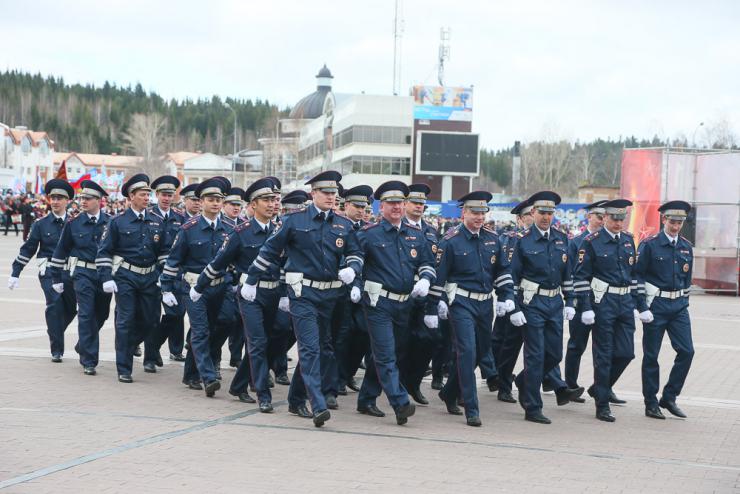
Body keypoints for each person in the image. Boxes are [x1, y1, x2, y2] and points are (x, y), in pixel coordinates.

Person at [243, 171, 359, 427]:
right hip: (302, 294)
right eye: (325, 192)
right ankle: (317, 404)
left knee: (322, 349)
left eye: (334, 193)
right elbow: (269, 251)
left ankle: (296, 399)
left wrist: (353, 268)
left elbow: (355, 253)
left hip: (330, 296)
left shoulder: (343, 224)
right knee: (309, 349)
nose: (331, 197)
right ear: (313, 194)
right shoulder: (293, 221)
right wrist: (251, 279)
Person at [346, 180, 435, 425]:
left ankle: (367, 398)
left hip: (404, 304)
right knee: (386, 355)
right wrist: (354, 279)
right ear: (381, 207)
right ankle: (400, 402)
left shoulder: (416, 234)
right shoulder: (368, 234)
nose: (396, 207)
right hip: (378, 303)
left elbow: (427, 262)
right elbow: (356, 258)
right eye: (391, 203)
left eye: (400, 203)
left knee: (390, 352)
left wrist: (425, 279)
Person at [195, 178, 280, 412]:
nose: (272, 204)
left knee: (272, 339)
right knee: (258, 342)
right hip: (250, 295)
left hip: (274, 293)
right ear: (253, 205)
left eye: (273, 200)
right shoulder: (240, 233)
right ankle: (262, 393)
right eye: (266, 200)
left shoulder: (280, 230)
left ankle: (239, 384)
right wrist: (198, 287)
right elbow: (218, 263)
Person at [433, 191, 514, 426]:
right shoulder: (450, 240)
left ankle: (449, 392)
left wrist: (506, 296)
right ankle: (471, 407)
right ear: (464, 213)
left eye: (482, 212)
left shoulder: (493, 239)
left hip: (485, 304)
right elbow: (439, 275)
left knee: (480, 351)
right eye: (474, 212)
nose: (479, 217)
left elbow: (502, 270)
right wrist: (437, 302)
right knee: (467, 351)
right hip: (461, 302)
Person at [509, 191, 584, 424]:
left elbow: (568, 275)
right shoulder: (523, 241)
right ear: (533, 213)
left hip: (554, 303)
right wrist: (514, 308)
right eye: (542, 212)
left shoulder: (562, 239)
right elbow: (512, 277)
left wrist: (570, 301)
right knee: (535, 355)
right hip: (531, 302)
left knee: (554, 354)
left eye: (550, 213)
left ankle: (523, 380)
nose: (546, 217)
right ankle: (532, 406)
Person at [160, 178, 231, 397]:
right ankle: (208, 377)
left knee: (218, 326)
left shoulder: (230, 228)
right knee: (200, 330)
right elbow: (173, 260)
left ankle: (190, 374)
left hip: (220, 287)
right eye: (211, 199)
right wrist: (166, 288)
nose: (215, 203)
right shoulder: (188, 229)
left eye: (219, 199)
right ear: (202, 202)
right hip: (193, 289)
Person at [573, 199, 638, 422]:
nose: (618, 223)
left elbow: (633, 274)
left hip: (624, 302)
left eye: (622, 219)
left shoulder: (628, 240)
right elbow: (581, 277)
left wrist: (638, 303)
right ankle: (602, 405)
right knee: (604, 355)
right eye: (614, 219)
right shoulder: (591, 242)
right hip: (603, 302)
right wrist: (586, 307)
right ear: (605, 217)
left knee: (626, 353)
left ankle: (599, 388)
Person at [96, 174, 164, 382]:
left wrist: (164, 277)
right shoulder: (117, 222)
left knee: (151, 320)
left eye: (148, 195)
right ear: (131, 196)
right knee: (125, 321)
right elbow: (104, 252)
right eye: (143, 195)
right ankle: (124, 368)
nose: (147, 198)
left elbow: (164, 251)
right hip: (126, 277)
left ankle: (128, 344)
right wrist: (106, 277)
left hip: (150, 278)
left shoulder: (157, 221)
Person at [636, 200, 695, 419]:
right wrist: (641, 306)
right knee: (652, 355)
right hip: (656, 306)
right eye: (672, 222)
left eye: (680, 222)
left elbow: (687, 279)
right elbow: (637, 276)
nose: (676, 226)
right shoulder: (650, 245)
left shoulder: (686, 246)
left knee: (687, 351)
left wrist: (684, 303)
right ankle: (651, 402)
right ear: (664, 220)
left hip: (678, 307)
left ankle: (669, 397)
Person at [8, 179, 77, 361]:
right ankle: (57, 350)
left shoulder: (75, 223)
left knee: (72, 309)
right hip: (48, 272)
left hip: (70, 272)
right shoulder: (40, 224)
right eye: (53, 198)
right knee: (54, 305)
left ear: (67, 201)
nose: (55, 201)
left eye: (59, 198)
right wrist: (15, 272)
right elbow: (28, 249)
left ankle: (54, 330)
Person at [48, 181, 112, 376]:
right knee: (86, 313)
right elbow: (61, 250)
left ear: (99, 201)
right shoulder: (73, 223)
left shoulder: (111, 223)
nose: (83, 201)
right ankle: (89, 360)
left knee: (102, 314)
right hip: (83, 274)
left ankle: (83, 344)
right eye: (82, 198)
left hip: (104, 275)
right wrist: (56, 277)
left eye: (88, 198)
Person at [400, 183, 441, 405]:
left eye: (422, 203)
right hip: (402, 293)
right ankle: (396, 384)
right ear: (405, 203)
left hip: (425, 294)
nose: (418, 206)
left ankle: (413, 382)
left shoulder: (431, 231)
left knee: (429, 340)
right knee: (401, 342)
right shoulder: (398, 227)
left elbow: (436, 264)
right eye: (415, 202)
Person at [562, 200, 607, 400]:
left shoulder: (609, 240)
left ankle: (604, 387)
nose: (602, 220)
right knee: (577, 345)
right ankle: (570, 385)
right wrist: (573, 300)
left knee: (604, 348)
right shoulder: (576, 241)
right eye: (599, 217)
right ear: (589, 217)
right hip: (582, 300)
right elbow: (571, 273)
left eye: (605, 217)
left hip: (604, 302)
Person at [332, 184, 373, 396]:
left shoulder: (368, 230)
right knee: (341, 336)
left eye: (363, 207)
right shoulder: (337, 226)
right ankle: (336, 379)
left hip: (364, 291)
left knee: (363, 335)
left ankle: (348, 373)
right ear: (346, 205)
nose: (360, 210)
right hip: (341, 289)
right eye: (357, 206)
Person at [145, 175, 187, 366]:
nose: (167, 198)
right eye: (163, 194)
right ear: (157, 195)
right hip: (151, 272)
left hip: (174, 274)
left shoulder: (180, 218)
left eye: (170, 195)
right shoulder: (148, 216)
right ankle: (150, 358)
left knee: (176, 313)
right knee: (152, 317)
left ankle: (154, 346)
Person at [495, 200, 533, 403]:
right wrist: (505, 296)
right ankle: (502, 383)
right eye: (528, 215)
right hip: (513, 297)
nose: (532, 218)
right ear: (519, 219)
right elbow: (504, 269)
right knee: (509, 343)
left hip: (537, 299)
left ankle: (553, 382)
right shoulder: (510, 239)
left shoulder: (548, 238)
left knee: (542, 346)